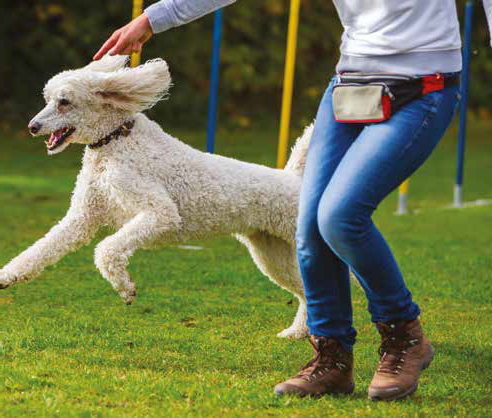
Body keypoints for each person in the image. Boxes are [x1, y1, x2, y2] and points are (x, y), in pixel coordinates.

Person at [94, 0, 492, 401]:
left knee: (340, 216)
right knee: (308, 222)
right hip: (352, 84)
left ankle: (405, 338)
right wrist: (153, 17)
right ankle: (332, 359)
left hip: (423, 88)